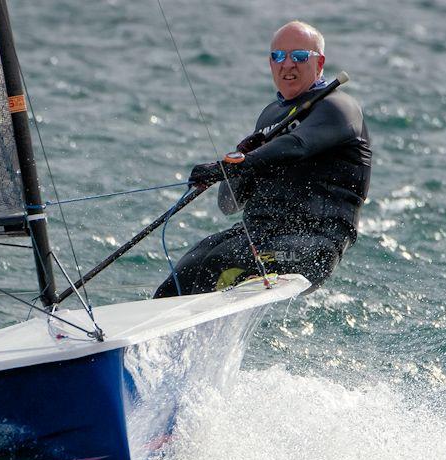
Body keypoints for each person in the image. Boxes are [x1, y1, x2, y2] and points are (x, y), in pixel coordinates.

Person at [155, 20, 371, 298]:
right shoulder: (270, 117)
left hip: (314, 241)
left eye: (300, 56)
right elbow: (229, 204)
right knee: (188, 268)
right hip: (259, 233)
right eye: (279, 56)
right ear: (271, 63)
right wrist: (239, 159)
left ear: (319, 63)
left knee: (217, 264)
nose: (288, 64)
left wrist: (243, 161)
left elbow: (298, 145)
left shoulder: (338, 108)